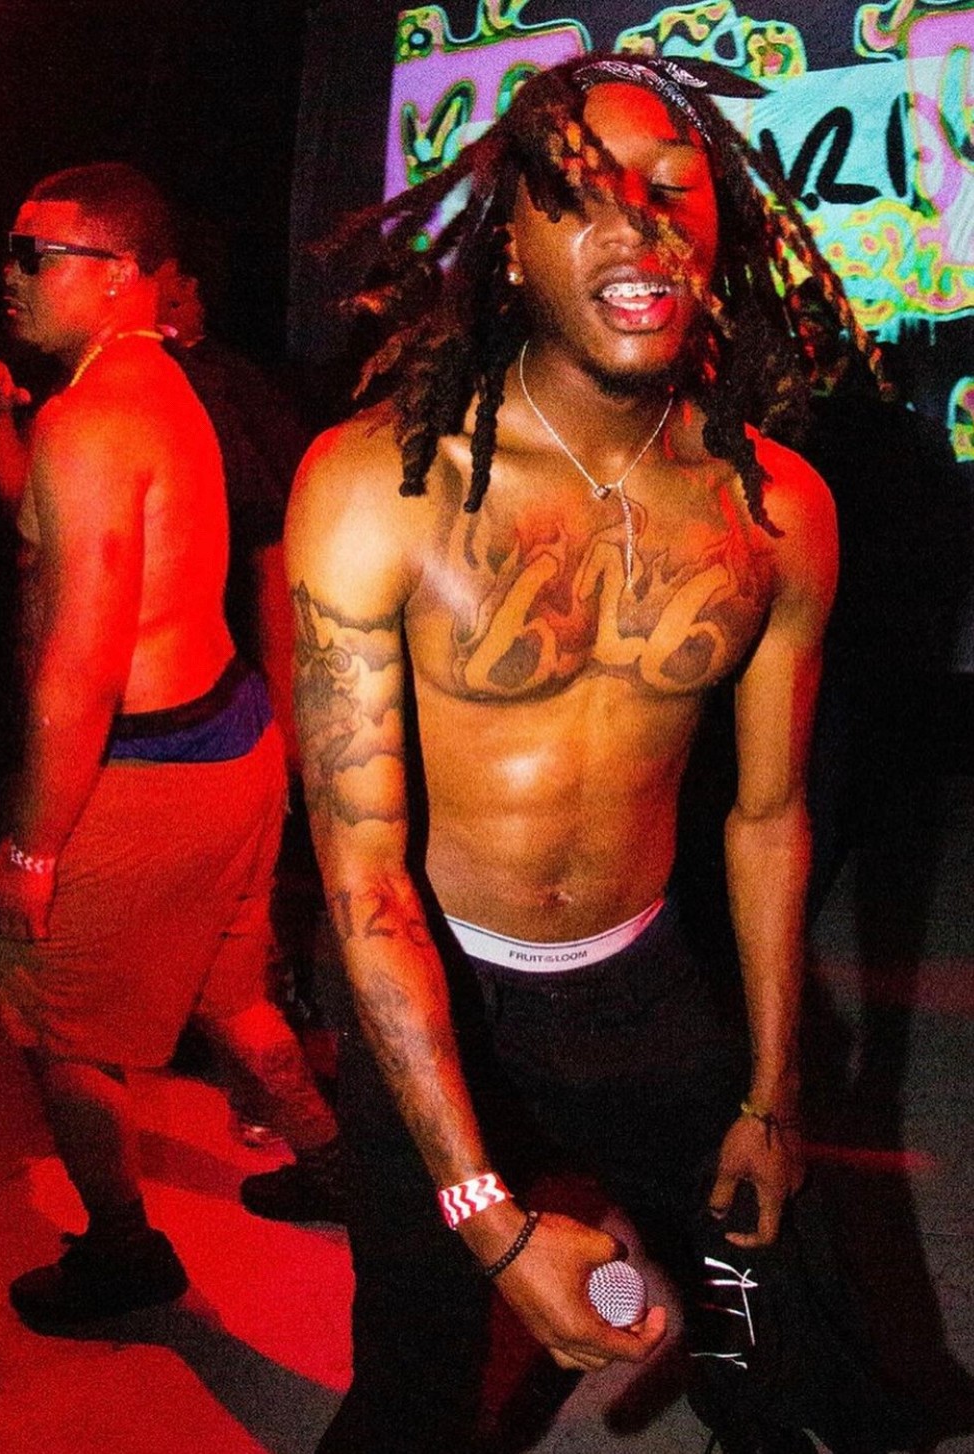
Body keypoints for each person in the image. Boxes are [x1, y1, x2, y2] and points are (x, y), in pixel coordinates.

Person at [286, 53, 910, 1453]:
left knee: (771, 1324)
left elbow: (766, 816)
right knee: (413, 1381)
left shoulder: (776, 511)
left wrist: (773, 1087)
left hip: (636, 981)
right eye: (578, 193)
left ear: (716, 238)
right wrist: (486, 1213)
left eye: (672, 189)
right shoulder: (379, 486)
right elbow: (362, 875)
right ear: (509, 249)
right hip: (426, 971)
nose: (636, 221)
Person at [0, 162, 342, 1329]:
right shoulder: (157, 383)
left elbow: (83, 659)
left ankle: (124, 1252)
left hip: (147, 768)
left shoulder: (90, 418)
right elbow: (64, 539)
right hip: (230, 738)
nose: (11, 275)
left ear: (121, 273)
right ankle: (342, 1167)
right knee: (233, 993)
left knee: (52, 1022)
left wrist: (33, 849)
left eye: (37, 255)